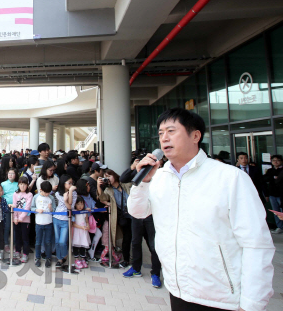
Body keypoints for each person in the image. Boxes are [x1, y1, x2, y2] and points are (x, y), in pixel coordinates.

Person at [128, 108, 275, 311]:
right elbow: (138, 212)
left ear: (195, 135)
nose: (164, 138)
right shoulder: (159, 177)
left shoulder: (230, 178)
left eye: (171, 131)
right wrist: (143, 182)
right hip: (177, 289)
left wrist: (252, 303)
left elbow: (256, 243)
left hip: (221, 297)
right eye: (161, 133)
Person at [120, 161, 162, 287]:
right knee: (135, 242)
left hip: (151, 215)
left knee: (154, 246)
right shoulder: (138, 174)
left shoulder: (159, 175)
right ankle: (136, 268)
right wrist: (134, 167)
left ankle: (156, 273)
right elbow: (123, 178)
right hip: (137, 215)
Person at [97, 169, 132, 268]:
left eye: (109, 176)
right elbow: (103, 198)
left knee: (136, 238)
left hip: (135, 213)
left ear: (114, 175)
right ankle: (126, 259)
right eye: (105, 177)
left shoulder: (125, 183)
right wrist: (98, 186)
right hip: (124, 216)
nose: (108, 179)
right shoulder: (109, 190)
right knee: (127, 239)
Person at [53, 175, 75, 269]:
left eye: (71, 183)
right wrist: (66, 198)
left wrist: (70, 192)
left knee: (62, 241)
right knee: (57, 241)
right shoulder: (58, 193)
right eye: (69, 183)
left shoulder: (74, 193)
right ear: (63, 183)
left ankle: (64, 255)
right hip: (56, 218)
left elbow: (70, 206)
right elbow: (66, 202)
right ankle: (59, 259)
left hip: (66, 219)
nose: (71, 185)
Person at [11, 176, 33, 263]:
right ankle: (17, 251)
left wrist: (20, 218)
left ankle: (25, 254)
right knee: (17, 236)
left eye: (24, 184)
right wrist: (15, 218)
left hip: (25, 220)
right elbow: (14, 206)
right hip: (16, 220)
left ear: (27, 185)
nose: (22, 186)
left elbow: (27, 207)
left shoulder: (29, 194)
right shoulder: (15, 194)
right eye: (20, 184)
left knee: (25, 237)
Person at [33, 180, 54, 268]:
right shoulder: (36, 197)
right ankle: (37, 258)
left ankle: (48, 258)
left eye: (49, 192)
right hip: (39, 222)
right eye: (46, 192)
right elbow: (31, 207)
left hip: (49, 222)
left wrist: (51, 208)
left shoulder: (51, 198)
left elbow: (54, 211)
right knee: (38, 242)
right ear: (41, 190)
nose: (47, 194)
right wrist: (36, 210)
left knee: (48, 242)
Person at [264, 154, 283, 234]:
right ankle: (280, 227)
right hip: (272, 194)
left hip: (281, 194)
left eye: (278, 160)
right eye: (274, 160)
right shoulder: (270, 171)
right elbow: (265, 179)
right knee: (276, 212)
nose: (276, 162)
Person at [72, 196, 90, 270]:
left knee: (83, 244)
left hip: (84, 231)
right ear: (75, 204)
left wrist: (88, 226)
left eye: (82, 204)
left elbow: (87, 221)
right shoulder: (74, 212)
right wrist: (81, 227)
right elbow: (73, 224)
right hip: (77, 230)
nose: (80, 206)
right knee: (76, 244)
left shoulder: (84, 212)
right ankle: (76, 259)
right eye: (78, 204)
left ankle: (83, 259)